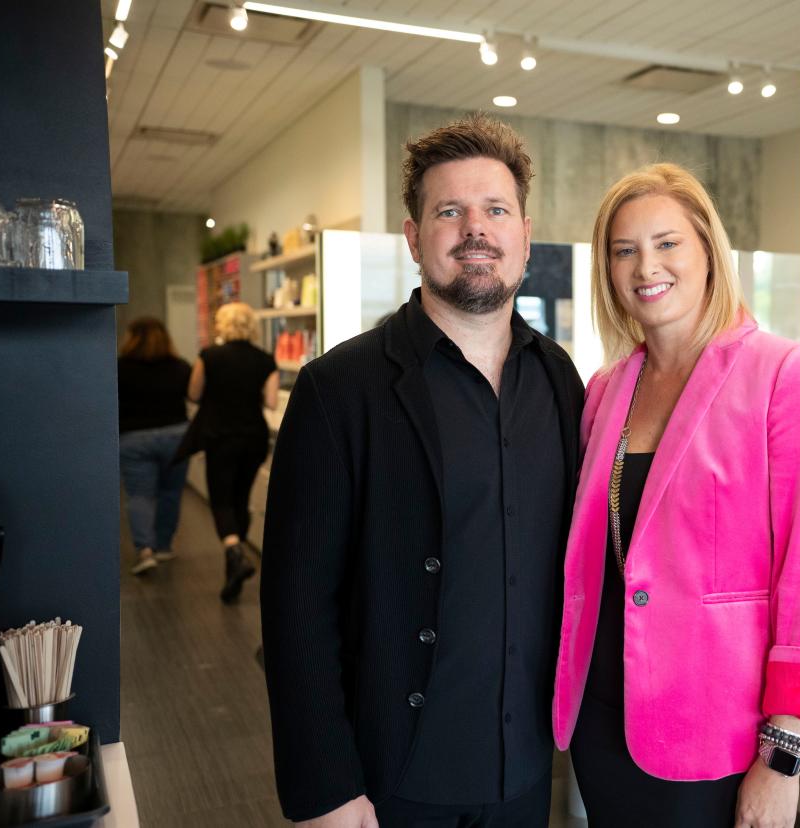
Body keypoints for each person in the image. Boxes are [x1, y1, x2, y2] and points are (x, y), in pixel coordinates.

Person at [260, 114, 584, 827]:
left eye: (495, 210)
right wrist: (327, 790)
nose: (476, 229)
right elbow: (295, 608)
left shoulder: (560, 381)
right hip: (392, 778)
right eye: (450, 211)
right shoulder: (337, 390)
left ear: (525, 235)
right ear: (414, 237)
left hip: (526, 767)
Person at [552, 163, 800, 828]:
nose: (644, 267)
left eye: (666, 243)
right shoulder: (605, 390)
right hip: (603, 716)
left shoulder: (788, 374)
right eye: (623, 250)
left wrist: (784, 754)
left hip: (716, 731)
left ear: (708, 252)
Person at [187, 301, 278, 604]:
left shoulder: (209, 356)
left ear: (223, 325)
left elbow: (194, 394)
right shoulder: (265, 360)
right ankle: (233, 569)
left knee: (222, 498)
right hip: (253, 436)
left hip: (220, 436)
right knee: (241, 497)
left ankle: (233, 551)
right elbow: (271, 402)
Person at [117, 317, 192, 576]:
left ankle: (145, 551)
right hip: (176, 437)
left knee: (141, 495)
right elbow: (193, 395)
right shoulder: (180, 366)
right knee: (171, 492)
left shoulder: (120, 368)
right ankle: (163, 546)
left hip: (133, 439)